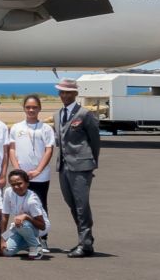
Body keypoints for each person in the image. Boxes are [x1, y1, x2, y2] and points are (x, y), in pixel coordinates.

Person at [55, 77, 100, 258]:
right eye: (62, 92)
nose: (64, 95)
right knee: (72, 204)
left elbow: (95, 141)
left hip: (81, 166)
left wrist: (91, 164)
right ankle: (84, 241)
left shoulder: (85, 114)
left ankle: (86, 243)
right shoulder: (59, 115)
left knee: (82, 205)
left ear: (75, 94)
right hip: (64, 166)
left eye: (68, 92)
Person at [8, 94, 56, 213]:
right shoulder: (16, 127)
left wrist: (38, 171)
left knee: (40, 207)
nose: (31, 110)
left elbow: (49, 150)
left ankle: (42, 232)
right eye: (28, 107)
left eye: (34, 107)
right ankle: (24, 231)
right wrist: (18, 171)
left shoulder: (46, 128)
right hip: (21, 177)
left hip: (40, 176)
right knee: (21, 208)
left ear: (39, 108)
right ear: (24, 108)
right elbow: (12, 149)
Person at [1, 169, 49, 259]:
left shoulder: (32, 201)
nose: (16, 187)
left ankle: (36, 248)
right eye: (13, 184)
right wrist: (2, 239)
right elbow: (4, 215)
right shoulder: (8, 192)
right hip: (17, 226)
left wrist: (27, 217)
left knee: (22, 224)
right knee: (6, 252)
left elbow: (42, 226)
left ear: (27, 183)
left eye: (19, 183)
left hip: (38, 228)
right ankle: (28, 241)